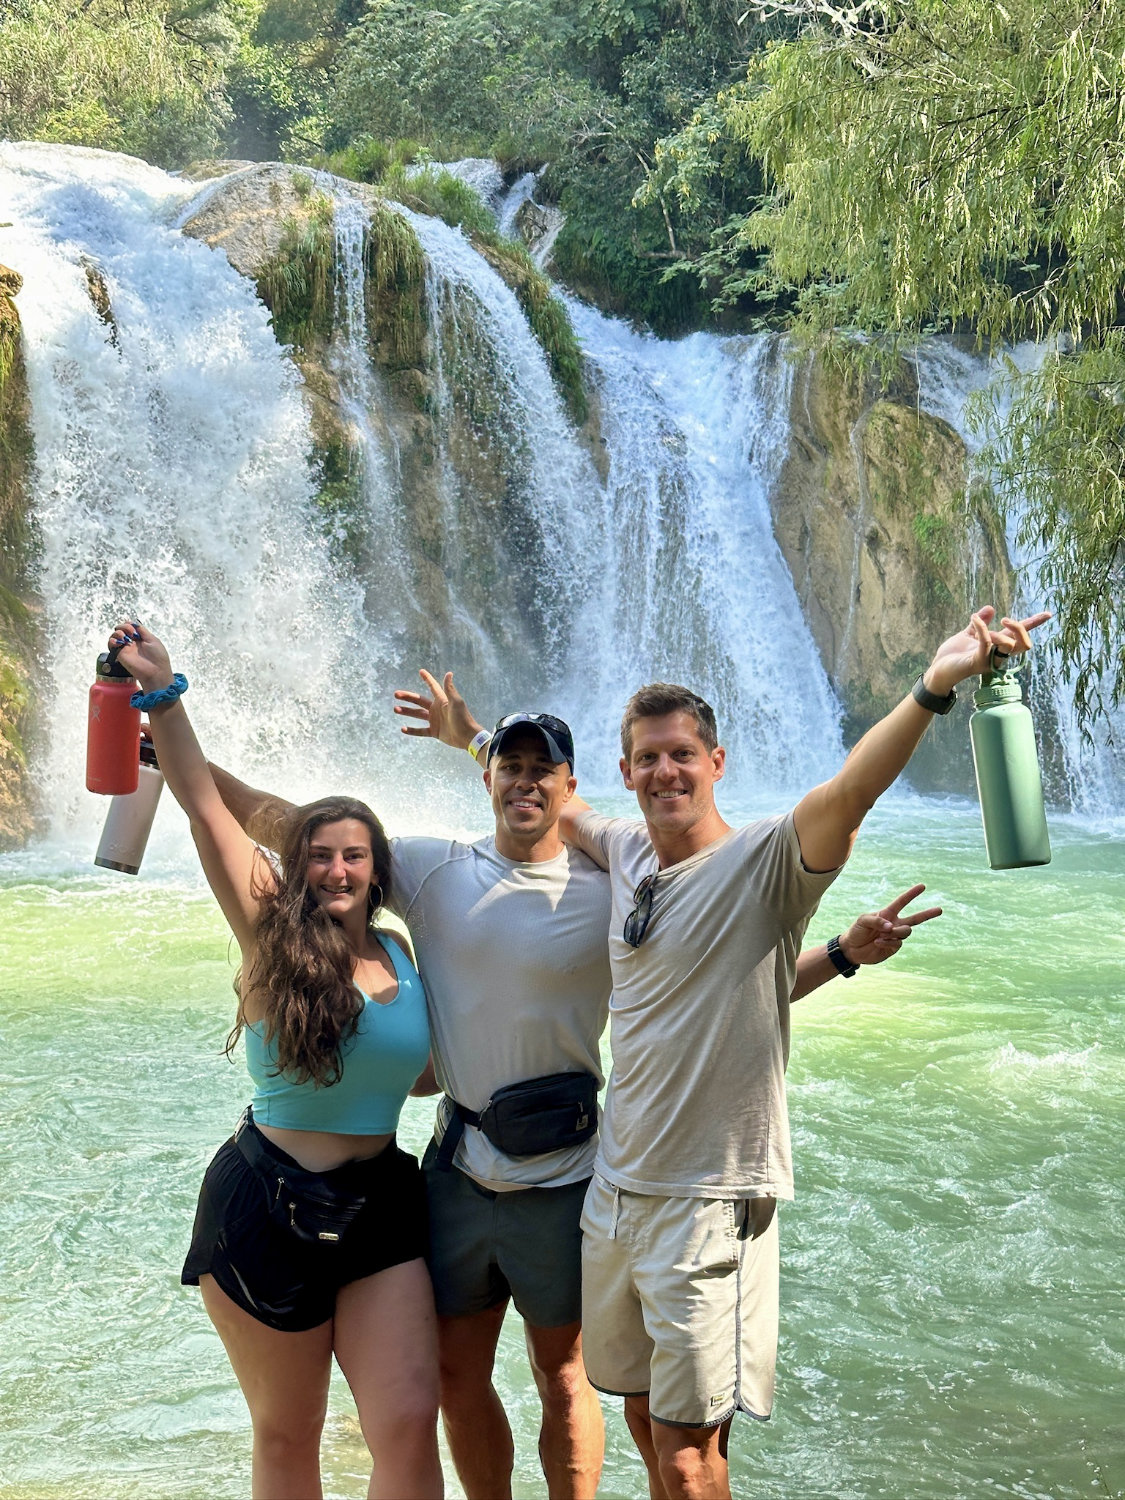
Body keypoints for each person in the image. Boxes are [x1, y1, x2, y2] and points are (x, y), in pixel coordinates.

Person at [215, 679, 942, 1500]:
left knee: (565, 1379)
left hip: (569, 1173)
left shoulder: (615, 883)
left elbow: (723, 982)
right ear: (487, 776)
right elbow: (297, 829)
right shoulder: (425, 869)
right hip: (457, 1167)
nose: (524, 782)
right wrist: (191, 771)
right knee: (456, 1378)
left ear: (570, 788)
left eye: (543, 771)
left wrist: (839, 956)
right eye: (508, 766)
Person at [106, 621, 442, 1500]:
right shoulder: (268, 927)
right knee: (289, 1438)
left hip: (383, 1205)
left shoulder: (404, 953)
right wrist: (163, 690)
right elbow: (202, 802)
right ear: (298, 867)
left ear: (377, 872)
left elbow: (425, 1073)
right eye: (321, 854)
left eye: (354, 856)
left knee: (408, 1425)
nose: (337, 869)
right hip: (267, 1201)